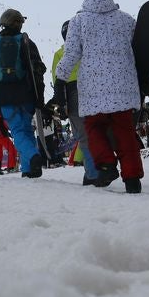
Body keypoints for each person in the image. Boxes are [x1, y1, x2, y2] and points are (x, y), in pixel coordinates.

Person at [55, 0, 143, 192]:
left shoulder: (79, 21)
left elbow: (72, 53)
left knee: (94, 128)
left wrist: (60, 79)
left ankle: (106, 165)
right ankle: (132, 180)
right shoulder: (126, 19)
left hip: (94, 89)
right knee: (124, 132)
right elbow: (141, 48)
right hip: (124, 85)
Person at [0, 8, 47, 178]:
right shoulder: (26, 42)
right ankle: (29, 168)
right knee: (27, 130)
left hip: (5, 95)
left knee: (17, 131)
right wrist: (40, 99)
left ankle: (33, 157)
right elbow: (39, 70)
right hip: (27, 94)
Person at [49, 20, 99, 186]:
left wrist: (62, 106)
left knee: (83, 136)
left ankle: (92, 174)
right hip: (92, 92)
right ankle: (100, 168)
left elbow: (57, 80)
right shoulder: (88, 48)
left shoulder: (60, 53)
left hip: (72, 95)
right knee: (96, 132)